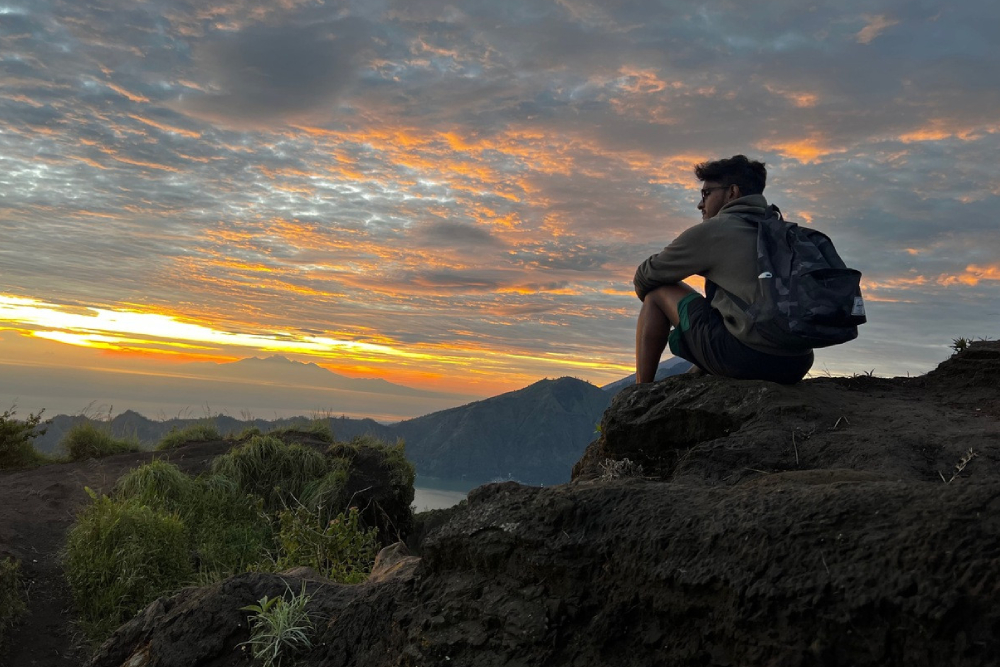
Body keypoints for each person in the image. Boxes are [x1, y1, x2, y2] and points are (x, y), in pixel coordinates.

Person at [633, 154, 814, 384]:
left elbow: (645, 277)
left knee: (658, 292)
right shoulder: (781, 231)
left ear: (732, 192)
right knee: (726, 299)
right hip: (798, 362)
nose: (700, 204)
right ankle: (698, 372)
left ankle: (640, 391)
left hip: (747, 359)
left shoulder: (716, 229)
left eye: (706, 193)